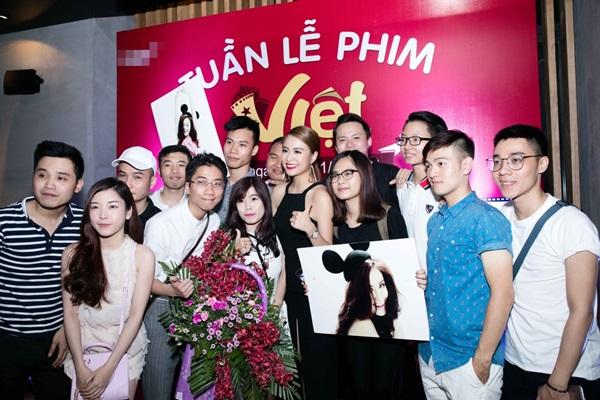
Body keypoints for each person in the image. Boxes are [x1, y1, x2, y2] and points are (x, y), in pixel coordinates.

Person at [489, 125, 600, 400]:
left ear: (541, 164)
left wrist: (558, 384)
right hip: (515, 363)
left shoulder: (571, 224)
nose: (504, 170)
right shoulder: (498, 219)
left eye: (516, 160)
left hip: (563, 369)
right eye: (497, 161)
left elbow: (582, 311)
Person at [419, 130, 514, 400]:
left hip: (468, 359)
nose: (432, 172)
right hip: (431, 354)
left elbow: (504, 293)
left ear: (466, 165)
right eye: (429, 165)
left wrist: (482, 359)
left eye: (441, 163)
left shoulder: (485, 218)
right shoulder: (435, 221)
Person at [0, 140, 84, 399]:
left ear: (78, 185)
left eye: (61, 178)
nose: (49, 185)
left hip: (57, 340)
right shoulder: (5, 221)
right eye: (42, 175)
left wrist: (67, 329)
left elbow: (85, 284)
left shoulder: (85, 225)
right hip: (6, 340)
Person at [142, 153, 226, 400]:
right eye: (202, 182)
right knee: (158, 385)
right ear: (188, 187)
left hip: (199, 310)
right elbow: (144, 280)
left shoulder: (214, 220)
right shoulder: (161, 224)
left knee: (194, 387)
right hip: (163, 307)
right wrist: (173, 290)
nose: (210, 191)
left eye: (217, 183)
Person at [62, 178, 154, 399]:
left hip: (124, 351)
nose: (103, 215)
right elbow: (71, 314)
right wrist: (80, 365)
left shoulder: (142, 255)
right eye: (95, 207)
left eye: (112, 206)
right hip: (82, 348)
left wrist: (109, 368)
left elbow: (135, 316)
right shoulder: (73, 254)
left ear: (128, 212)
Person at [271, 125, 337, 399]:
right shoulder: (279, 192)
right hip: (284, 291)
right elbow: (274, 243)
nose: (289, 158)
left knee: (315, 370)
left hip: (313, 294)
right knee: (288, 374)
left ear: (313, 157)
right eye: (286, 150)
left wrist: (310, 230)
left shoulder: (319, 195)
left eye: (298, 151)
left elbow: (330, 254)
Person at [225, 176, 286, 315]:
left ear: (265, 201)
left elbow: (284, 274)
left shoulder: (278, 234)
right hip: (241, 317)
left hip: (277, 314)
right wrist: (234, 254)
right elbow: (221, 282)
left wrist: (275, 308)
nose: (248, 206)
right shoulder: (228, 238)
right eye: (241, 200)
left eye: (254, 199)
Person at [395, 111, 447, 271]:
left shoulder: (446, 189)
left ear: (436, 142)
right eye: (404, 139)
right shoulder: (401, 186)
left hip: (440, 278)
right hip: (407, 278)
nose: (406, 146)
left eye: (415, 140)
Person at [325, 150, 408, 243]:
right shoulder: (335, 225)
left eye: (347, 173)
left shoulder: (389, 217)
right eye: (335, 175)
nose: (340, 181)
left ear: (364, 175)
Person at [333, 113, 399, 209]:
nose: (350, 145)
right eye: (342, 140)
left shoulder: (391, 175)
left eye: (356, 138)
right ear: (336, 147)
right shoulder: (333, 182)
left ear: (369, 141)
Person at [216, 115, 260, 220]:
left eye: (242, 145)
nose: (233, 150)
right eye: (229, 142)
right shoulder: (213, 185)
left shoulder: (260, 190)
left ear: (254, 150)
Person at [112, 146, 161, 227]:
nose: (127, 184)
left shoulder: (160, 222)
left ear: (152, 182)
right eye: (123, 175)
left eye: (137, 177)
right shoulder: (107, 216)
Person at [149, 145, 192, 210]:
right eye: (168, 165)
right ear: (159, 171)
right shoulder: (148, 202)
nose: (174, 170)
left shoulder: (197, 204)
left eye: (181, 165)